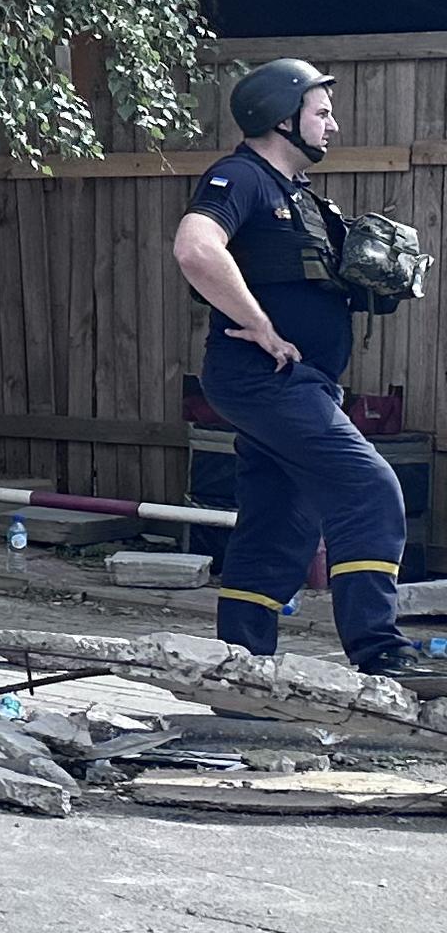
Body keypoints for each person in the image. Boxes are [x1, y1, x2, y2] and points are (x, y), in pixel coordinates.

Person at [172, 57, 410, 677]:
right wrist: (257, 323)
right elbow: (196, 249)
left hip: (302, 386)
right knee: (370, 488)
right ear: (283, 117)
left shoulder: (298, 198)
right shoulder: (240, 177)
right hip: (265, 379)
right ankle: (381, 652)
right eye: (321, 112)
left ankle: (242, 666)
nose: (333, 125)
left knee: (280, 521)